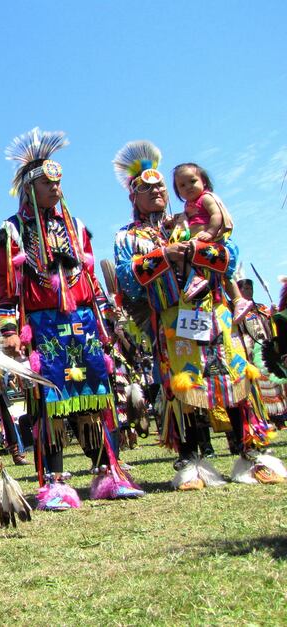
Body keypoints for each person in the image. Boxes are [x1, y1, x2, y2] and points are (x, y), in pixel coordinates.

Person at [112, 140, 286, 490]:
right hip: (173, 323)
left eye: (161, 186)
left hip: (214, 313)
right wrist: (165, 255)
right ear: (134, 197)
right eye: (147, 188)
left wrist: (195, 249)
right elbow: (127, 280)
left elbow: (230, 258)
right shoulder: (128, 236)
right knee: (183, 389)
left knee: (235, 379)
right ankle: (193, 464)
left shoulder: (193, 219)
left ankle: (252, 456)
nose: (157, 191)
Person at [0, 128, 143, 511]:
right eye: (47, 183)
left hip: (84, 324)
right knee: (51, 405)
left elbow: (90, 281)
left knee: (95, 397)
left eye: (58, 182)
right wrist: (9, 329)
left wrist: (108, 322)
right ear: (30, 188)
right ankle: (55, 485)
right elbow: (6, 288)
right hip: (43, 328)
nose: (55, 188)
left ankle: (108, 474)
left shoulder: (76, 228)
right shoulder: (13, 232)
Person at [170, 163, 253, 323]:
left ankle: (238, 300)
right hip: (198, 246)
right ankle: (194, 279)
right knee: (180, 255)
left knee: (225, 275)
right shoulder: (189, 205)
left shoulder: (206, 198)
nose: (188, 187)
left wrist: (210, 232)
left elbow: (216, 215)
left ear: (204, 181)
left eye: (192, 181)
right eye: (182, 185)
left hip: (213, 242)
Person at [236, 278, 287, 429]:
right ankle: (264, 418)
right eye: (245, 288)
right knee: (258, 385)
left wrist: (274, 313)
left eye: (250, 288)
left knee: (274, 382)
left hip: (267, 350)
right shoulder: (236, 311)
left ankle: (279, 418)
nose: (249, 291)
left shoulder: (261, 308)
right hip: (250, 352)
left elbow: (274, 325)